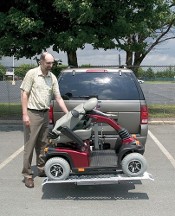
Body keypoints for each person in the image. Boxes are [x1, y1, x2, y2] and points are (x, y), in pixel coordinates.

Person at [20, 52, 68, 188]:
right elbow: (25, 94)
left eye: (52, 63)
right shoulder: (32, 74)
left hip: (45, 114)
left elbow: (58, 97)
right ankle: (27, 175)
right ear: (41, 61)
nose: (50, 65)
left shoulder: (52, 77)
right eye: (48, 63)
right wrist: (25, 114)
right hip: (32, 113)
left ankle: (41, 169)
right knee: (29, 145)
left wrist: (68, 113)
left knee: (44, 144)